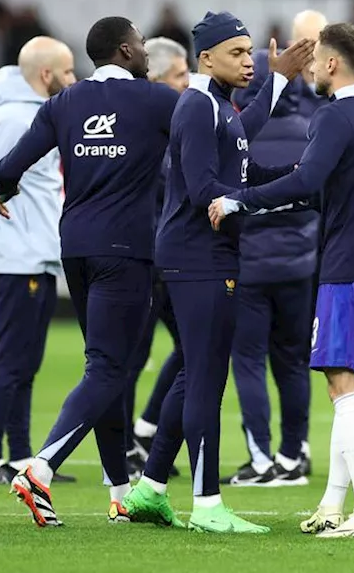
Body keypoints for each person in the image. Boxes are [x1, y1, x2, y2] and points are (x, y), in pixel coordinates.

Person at [208, 22, 354, 539]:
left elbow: (306, 179)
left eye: (317, 58)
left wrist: (240, 199)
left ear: (333, 64)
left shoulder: (335, 114)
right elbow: (327, 191)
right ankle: (333, 502)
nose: (311, 68)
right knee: (350, 388)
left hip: (352, 269)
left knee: (343, 388)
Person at [124, 11, 312, 533]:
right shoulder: (196, 108)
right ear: (205, 58)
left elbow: (245, 146)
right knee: (207, 380)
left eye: (250, 52)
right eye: (237, 53)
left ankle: (151, 489)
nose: (248, 61)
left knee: (192, 374)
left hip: (203, 255)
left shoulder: (219, 108)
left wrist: (300, 178)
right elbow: (209, 189)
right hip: (198, 256)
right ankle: (207, 503)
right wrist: (281, 197)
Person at [0, 17, 180, 527]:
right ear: (126, 49)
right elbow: (220, 129)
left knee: (108, 367)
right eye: (141, 44)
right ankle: (41, 467)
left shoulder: (63, 103)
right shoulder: (156, 99)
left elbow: (9, 169)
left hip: (75, 248)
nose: (145, 51)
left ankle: (120, 493)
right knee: (108, 368)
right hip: (128, 250)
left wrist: (3, 192)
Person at [0, 38, 75, 484]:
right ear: (46, 74)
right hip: (18, 259)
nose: (73, 80)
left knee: (26, 364)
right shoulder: (13, 118)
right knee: (10, 362)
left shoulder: (36, 114)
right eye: (67, 72)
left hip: (37, 255)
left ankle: (22, 457)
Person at [226, 10, 326, 487]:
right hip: (300, 261)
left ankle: (262, 459)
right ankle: (295, 453)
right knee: (293, 360)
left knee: (247, 360)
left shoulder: (239, 129)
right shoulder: (313, 125)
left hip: (248, 262)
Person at [127, 37, 191, 479]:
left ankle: (146, 428)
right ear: (157, 81)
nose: (188, 83)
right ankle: (127, 443)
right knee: (131, 353)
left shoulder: (175, 125)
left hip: (167, 258)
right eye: (180, 76)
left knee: (191, 346)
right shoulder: (147, 130)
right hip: (144, 257)